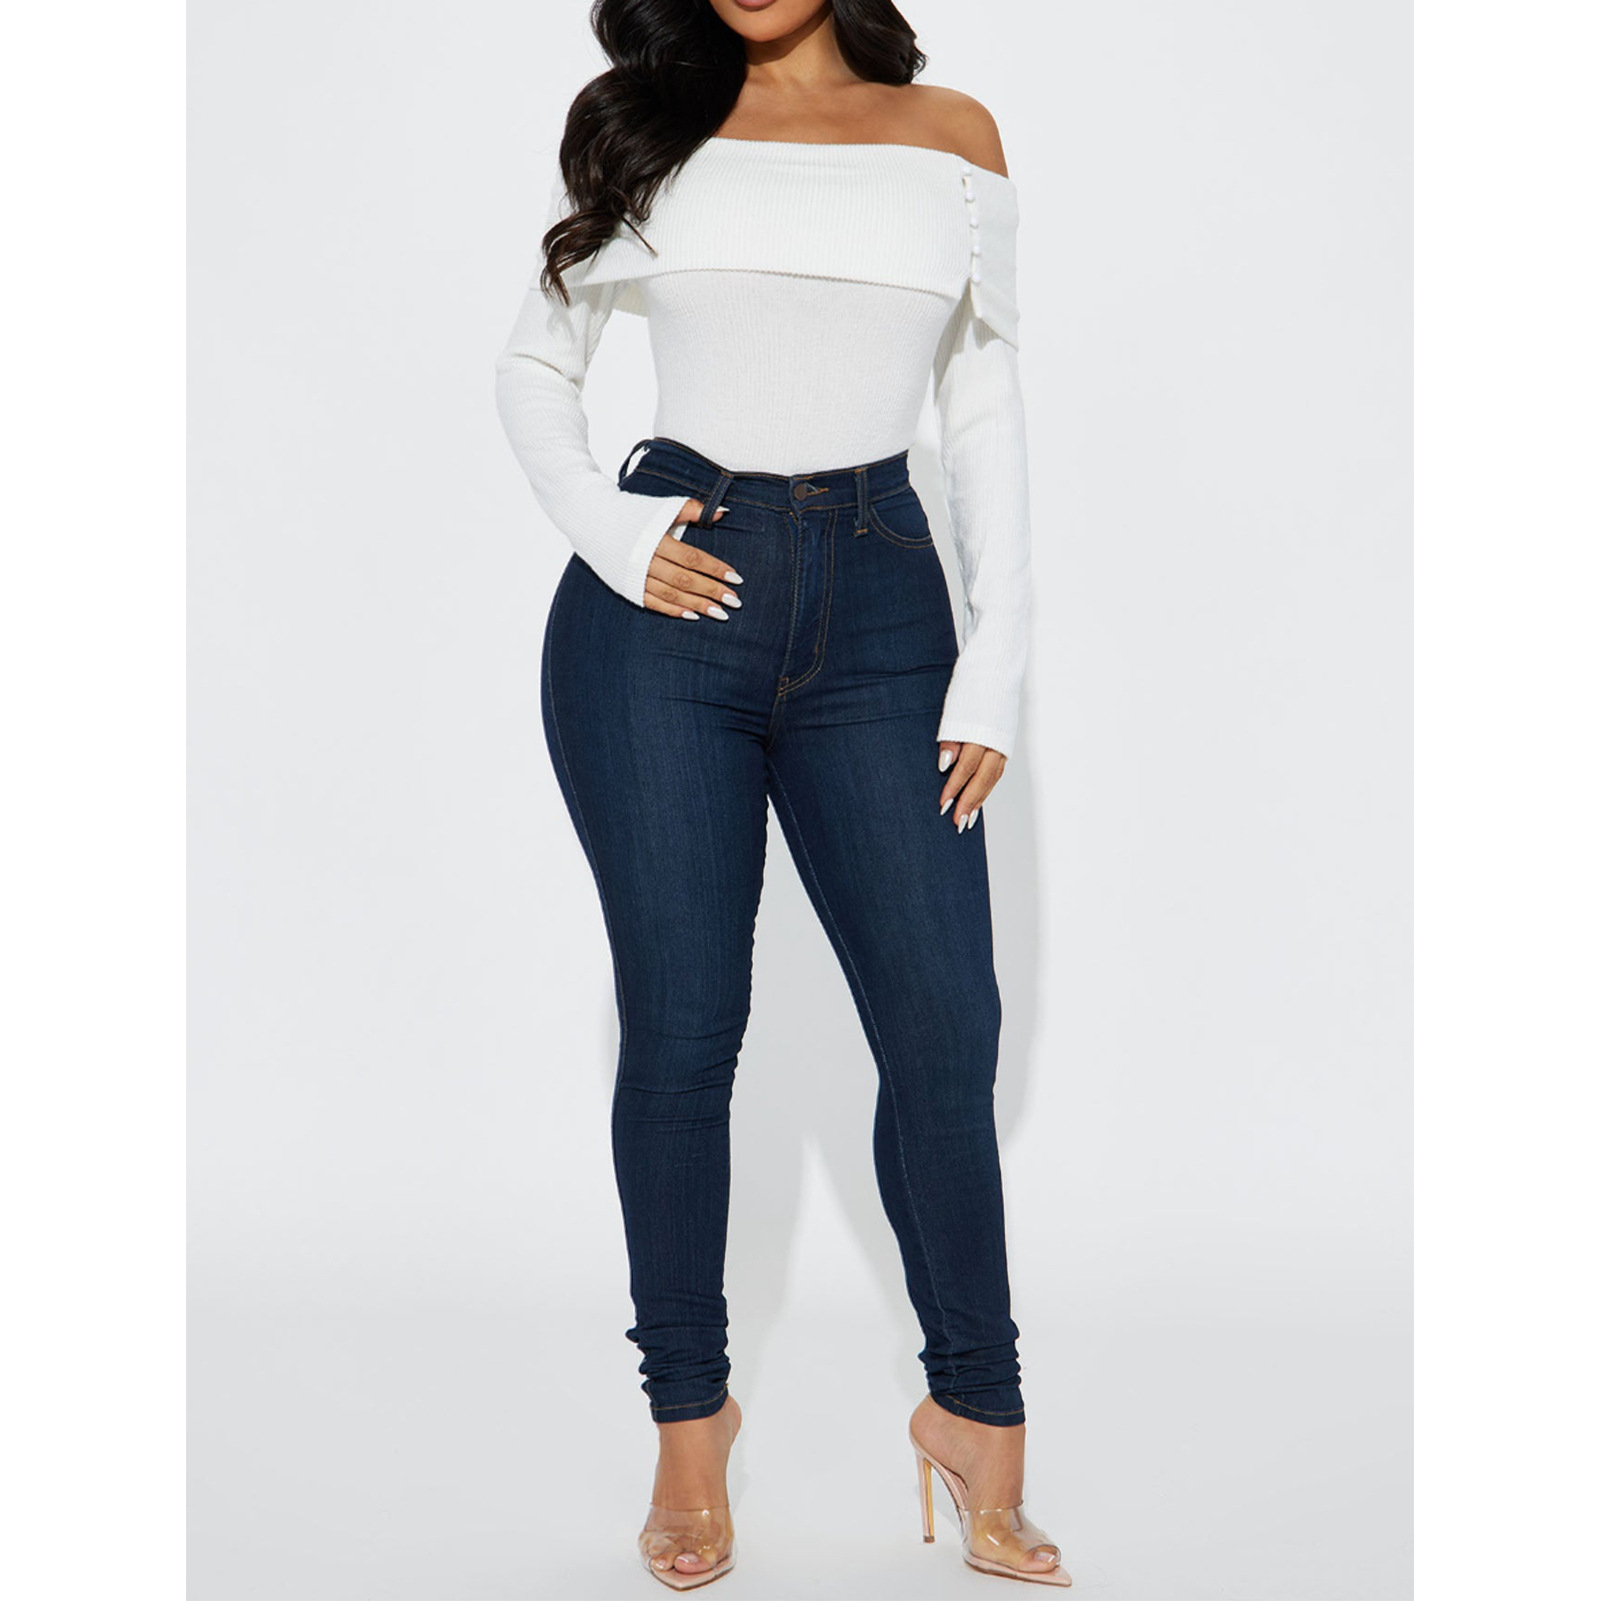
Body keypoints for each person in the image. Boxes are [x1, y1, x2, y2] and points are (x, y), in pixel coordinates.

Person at [495, 0, 1067, 1588]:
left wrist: (995, 657)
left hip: (886, 604)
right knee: (686, 1028)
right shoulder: (647, 123)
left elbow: (981, 400)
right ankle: (690, 1422)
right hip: (665, 601)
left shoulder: (950, 140)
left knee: (945, 1029)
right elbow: (535, 361)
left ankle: (977, 1415)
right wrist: (617, 537)